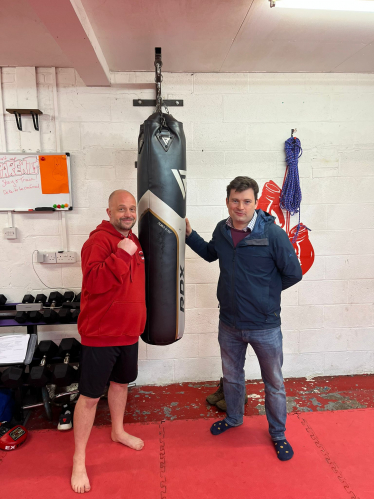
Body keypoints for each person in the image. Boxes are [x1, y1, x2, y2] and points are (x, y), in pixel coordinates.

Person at [185, 176, 302, 461]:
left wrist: (264, 295)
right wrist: (189, 235)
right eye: (235, 201)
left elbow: (293, 273)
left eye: (246, 201)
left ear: (256, 202)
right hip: (229, 322)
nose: (240, 207)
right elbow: (211, 254)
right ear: (227, 202)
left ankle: (277, 433)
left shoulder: (272, 234)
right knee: (232, 378)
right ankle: (234, 418)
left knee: (273, 383)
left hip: (264, 325)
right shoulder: (222, 230)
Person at [71, 190, 146, 493]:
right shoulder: (98, 242)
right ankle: (79, 460)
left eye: (131, 209)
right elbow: (94, 283)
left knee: (120, 384)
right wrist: (121, 254)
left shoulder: (135, 240)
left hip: (128, 331)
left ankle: (117, 431)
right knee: (89, 397)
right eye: (121, 209)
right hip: (100, 334)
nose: (128, 214)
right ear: (109, 211)